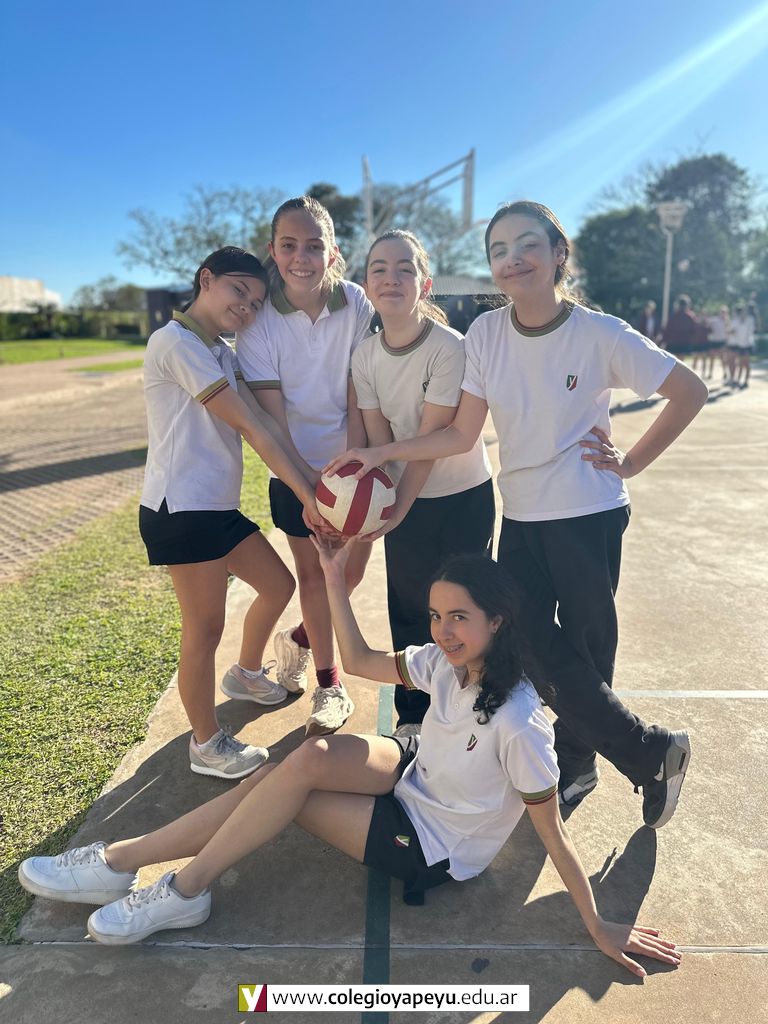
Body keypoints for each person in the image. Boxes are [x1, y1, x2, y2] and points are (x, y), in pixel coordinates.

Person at [17, 549, 682, 979]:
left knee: (289, 792)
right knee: (303, 760)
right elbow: (360, 660)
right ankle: (124, 863)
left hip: (436, 842)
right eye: (437, 615)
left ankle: (179, 888)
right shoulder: (445, 664)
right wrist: (333, 579)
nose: (443, 629)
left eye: (460, 617)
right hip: (417, 772)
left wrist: (597, 924)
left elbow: (552, 832)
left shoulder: (519, 721)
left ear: (499, 622)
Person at [325, 200, 709, 827]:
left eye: (528, 244)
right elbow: (459, 435)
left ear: (559, 254)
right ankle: (650, 751)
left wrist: (632, 462)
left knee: (585, 645)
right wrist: (380, 455)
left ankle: (579, 763)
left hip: (588, 512)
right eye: (499, 250)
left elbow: (688, 391)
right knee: (521, 638)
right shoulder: (484, 334)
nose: (513, 259)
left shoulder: (601, 333)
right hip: (523, 516)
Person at [139, 247, 325, 779]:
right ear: (207, 279)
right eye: (238, 291)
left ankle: (244, 674)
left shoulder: (220, 350)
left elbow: (266, 423)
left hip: (215, 507)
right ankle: (205, 744)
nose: (246, 307)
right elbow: (249, 424)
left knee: (278, 586)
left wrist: (314, 482)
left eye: (256, 302)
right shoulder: (175, 342)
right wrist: (309, 494)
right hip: (181, 509)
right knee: (203, 630)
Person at [236, 197, 375, 736]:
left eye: (314, 246)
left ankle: (298, 639)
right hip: (292, 471)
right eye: (289, 245)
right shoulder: (258, 323)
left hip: (353, 467)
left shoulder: (356, 301)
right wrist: (309, 489)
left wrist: (352, 472)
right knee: (316, 576)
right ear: (273, 251)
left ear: (332, 252)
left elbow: (360, 391)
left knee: (351, 573)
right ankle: (328, 684)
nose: (301, 257)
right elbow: (273, 423)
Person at [351, 229, 494, 730]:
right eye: (379, 269)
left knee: (466, 609)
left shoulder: (450, 347)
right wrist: (383, 504)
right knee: (411, 609)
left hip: (462, 498)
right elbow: (379, 439)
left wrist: (395, 514)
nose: (391, 278)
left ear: (425, 284)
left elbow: (430, 444)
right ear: (366, 284)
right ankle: (414, 719)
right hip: (406, 496)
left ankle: (476, 710)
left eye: (405, 269)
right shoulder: (364, 356)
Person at [730, 302, 756, 389]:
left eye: (744, 312)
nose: (743, 314)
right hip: (739, 345)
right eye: (741, 312)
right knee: (740, 363)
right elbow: (733, 332)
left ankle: (746, 381)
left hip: (747, 345)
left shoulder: (750, 320)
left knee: (746, 364)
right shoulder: (737, 321)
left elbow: (750, 332)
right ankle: (737, 380)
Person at [706, 305, 731, 384]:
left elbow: (729, 332)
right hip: (714, 341)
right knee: (712, 358)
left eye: (725, 312)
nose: (723, 314)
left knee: (722, 358)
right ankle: (710, 373)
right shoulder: (714, 320)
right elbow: (707, 324)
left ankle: (725, 372)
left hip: (722, 341)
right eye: (722, 312)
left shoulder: (727, 321)